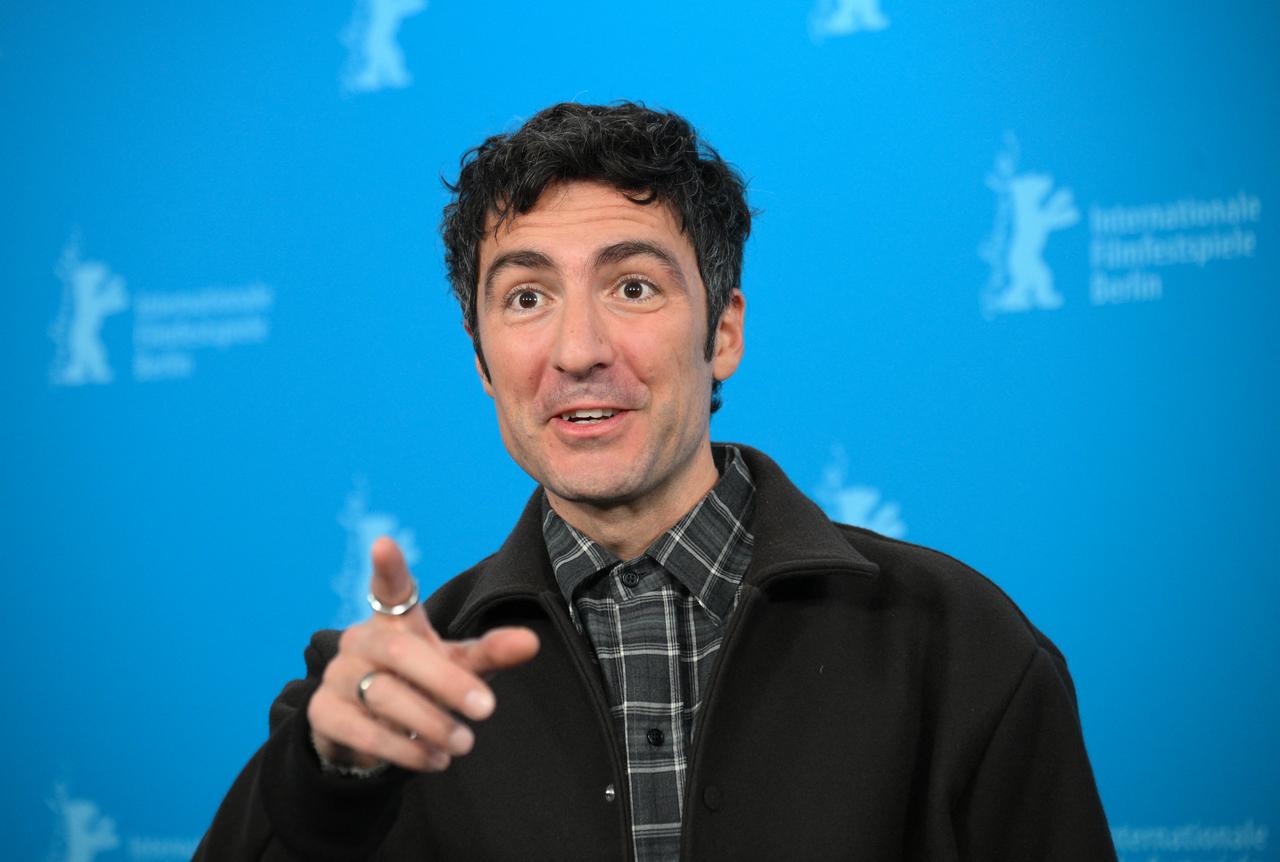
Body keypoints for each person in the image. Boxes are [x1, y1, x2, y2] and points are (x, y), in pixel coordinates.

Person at [196, 102, 1118, 861]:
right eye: (526, 297)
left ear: (723, 335)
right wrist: (326, 779)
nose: (578, 351)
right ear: (481, 362)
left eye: (633, 287)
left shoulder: (960, 645)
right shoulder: (394, 696)